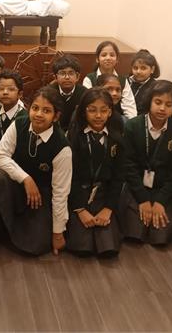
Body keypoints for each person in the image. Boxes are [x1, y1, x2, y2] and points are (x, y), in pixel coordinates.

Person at [0, 86, 72, 256]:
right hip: (17, 184)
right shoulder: (19, 124)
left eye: (46, 111)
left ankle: (16, 227)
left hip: (41, 194)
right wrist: (25, 179)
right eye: (35, 108)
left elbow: (61, 192)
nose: (38, 114)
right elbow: (0, 156)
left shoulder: (62, 146)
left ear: (56, 116)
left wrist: (58, 233)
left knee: (36, 246)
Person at [119, 80, 172, 246]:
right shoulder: (133, 126)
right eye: (158, 102)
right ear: (149, 101)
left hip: (162, 190)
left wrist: (160, 202)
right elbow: (128, 166)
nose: (162, 108)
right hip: (136, 187)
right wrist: (143, 200)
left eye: (168, 104)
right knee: (134, 234)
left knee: (160, 238)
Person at [66, 88, 124, 257]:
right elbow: (69, 176)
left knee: (108, 248)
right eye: (92, 110)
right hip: (78, 194)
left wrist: (108, 208)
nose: (98, 116)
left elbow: (118, 177)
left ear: (110, 112)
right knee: (81, 248)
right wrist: (80, 209)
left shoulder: (117, 138)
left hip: (103, 195)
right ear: (84, 111)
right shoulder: (74, 137)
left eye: (103, 110)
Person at [82, 41, 137, 119]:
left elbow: (129, 107)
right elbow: (87, 105)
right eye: (104, 55)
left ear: (117, 59)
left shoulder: (123, 80)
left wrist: (131, 123)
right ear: (97, 59)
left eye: (112, 55)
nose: (108, 58)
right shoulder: (89, 79)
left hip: (117, 119)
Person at [49, 54, 86, 131]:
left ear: (77, 76)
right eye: (62, 73)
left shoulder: (85, 94)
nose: (67, 77)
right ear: (55, 77)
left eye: (71, 73)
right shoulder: (49, 93)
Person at [0, 69, 27, 141]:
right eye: (1, 89)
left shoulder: (25, 118)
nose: (5, 92)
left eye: (11, 89)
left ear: (20, 94)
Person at [128, 49, 161, 115]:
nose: (138, 71)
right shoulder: (127, 81)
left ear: (152, 69)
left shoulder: (156, 87)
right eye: (135, 68)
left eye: (143, 68)